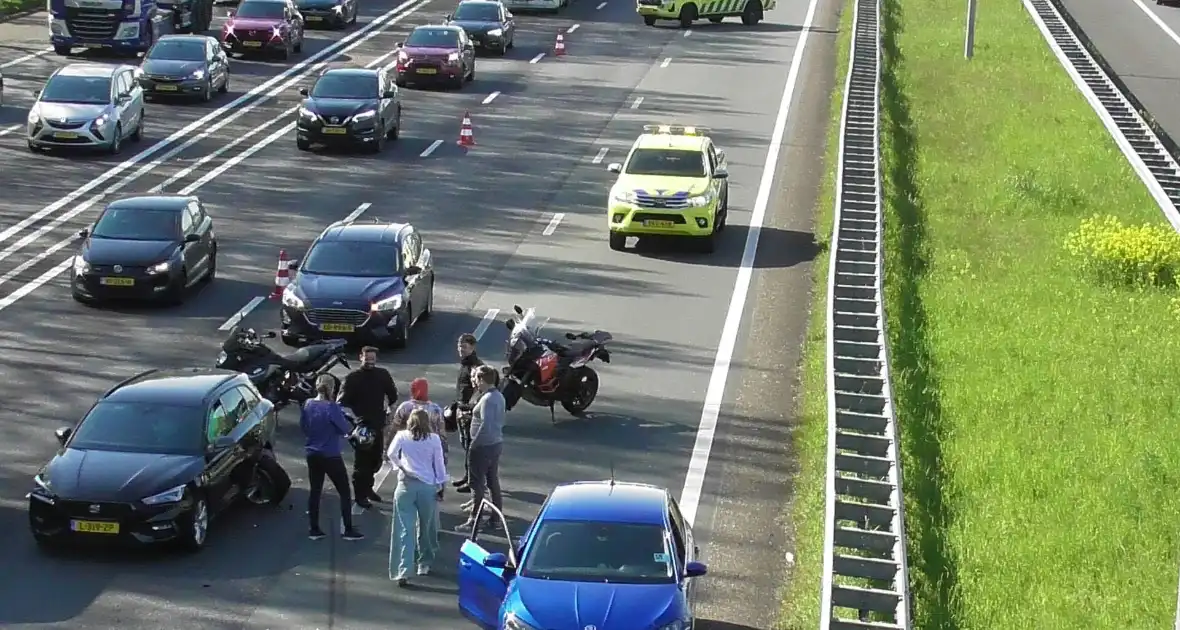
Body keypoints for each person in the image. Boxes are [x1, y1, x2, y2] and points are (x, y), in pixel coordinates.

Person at [300, 374, 364, 541]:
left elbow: (304, 427)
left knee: (315, 490)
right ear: (332, 388)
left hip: (312, 453)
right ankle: (348, 530)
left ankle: (313, 529)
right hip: (330, 454)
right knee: (344, 491)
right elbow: (345, 429)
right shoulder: (332, 407)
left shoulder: (308, 404)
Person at [387, 409, 447, 587]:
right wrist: (441, 485)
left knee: (404, 528)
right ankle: (424, 563)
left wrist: (401, 468)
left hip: (405, 485)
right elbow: (439, 464)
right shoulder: (434, 439)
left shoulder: (402, 436)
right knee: (426, 525)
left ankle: (403, 569)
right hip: (427, 487)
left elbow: (391, 453)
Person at [338, 346, 399, 510]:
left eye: (373, 359)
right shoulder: (352, 378)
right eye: (367, 358)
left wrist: (389, 411)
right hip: (362, 428)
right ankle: (360, 495)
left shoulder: (382, 375)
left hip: (378, 426)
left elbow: (393, 395)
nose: (370, 361)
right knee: (361, 465)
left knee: (376, 461)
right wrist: (353, 423)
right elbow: (341, 403)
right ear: (360, 357)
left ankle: (368, 488)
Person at [456, 365, 506, 533]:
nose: (475, 382)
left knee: (476, 484)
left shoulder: (488, 399)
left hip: (483, 446)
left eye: (477, 379)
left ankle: (473, 520)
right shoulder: (498, 396)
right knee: (493, 482)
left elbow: (486, 424)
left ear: (483, 380)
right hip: (495, 444)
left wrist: (474, 444)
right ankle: (495, 519)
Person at [451, 333, 484, 493]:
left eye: (464, 347)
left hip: (468, 413)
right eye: (459, 346)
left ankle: (474, 481)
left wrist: (469, 408)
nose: (461, 350)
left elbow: (479, 389)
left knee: (471, 448)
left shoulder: (475, 366)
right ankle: (468, 476)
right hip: (461, 410)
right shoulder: (465, 363)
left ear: (473, 347)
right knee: (466, 445)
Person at [392, 378, 448, 460]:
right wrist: (444, 452)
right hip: (429, 448)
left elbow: (394, 427)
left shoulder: (404, 407)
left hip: (408, 447)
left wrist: (388, 446)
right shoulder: (435, 409)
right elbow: (441, 432)